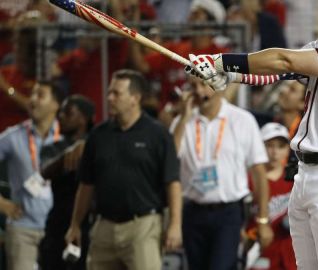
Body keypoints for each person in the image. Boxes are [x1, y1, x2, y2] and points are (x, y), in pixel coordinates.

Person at [186, 0, 318, 268]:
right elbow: (282, 70)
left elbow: (283, 59)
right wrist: (231, 75)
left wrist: (221, 61)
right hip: (308, 173)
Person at [65, 69, 182, 270]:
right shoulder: (97, 136)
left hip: (143, 225)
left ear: (135, 98)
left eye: (116, 93)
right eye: (109, 92)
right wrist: (75, 224)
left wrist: (175, 225)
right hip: (104, 226)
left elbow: (172, 182)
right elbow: (86, 185)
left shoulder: (158, 134)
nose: (109, 98)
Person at [171, 78, 273, 270]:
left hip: (228, 213)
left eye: (204, 85)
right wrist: (184, 117)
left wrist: (262, 219)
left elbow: (259, 172)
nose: (199, 92)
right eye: (194, 86)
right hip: (193, 211)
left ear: (219, 86)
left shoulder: (242, 119)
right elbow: (171, 162)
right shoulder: (182, 122)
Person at [0, 81, 64, 270]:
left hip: (58, 231)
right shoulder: (13, 137)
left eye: (40, 95)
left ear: (56, 104)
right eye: (32, 94)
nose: (32, 100)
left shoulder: (66, 138)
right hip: (23, 229)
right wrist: (2, 203)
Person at [39, 95, 95, 270]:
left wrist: (86, 147)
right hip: (58, 225)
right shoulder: (52, 147)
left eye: (68, 112)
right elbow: (44, 172)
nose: (60, 116)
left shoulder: (98, 145)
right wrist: (67, 155)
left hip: (90, 226)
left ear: (83, 118)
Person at [246, 122, 295, 270]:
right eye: (269, 146)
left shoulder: (295, 177)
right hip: (259, 252)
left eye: (281, 147)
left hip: (289, 252)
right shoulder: (250, 179)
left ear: (288, 149)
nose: (275, 152)